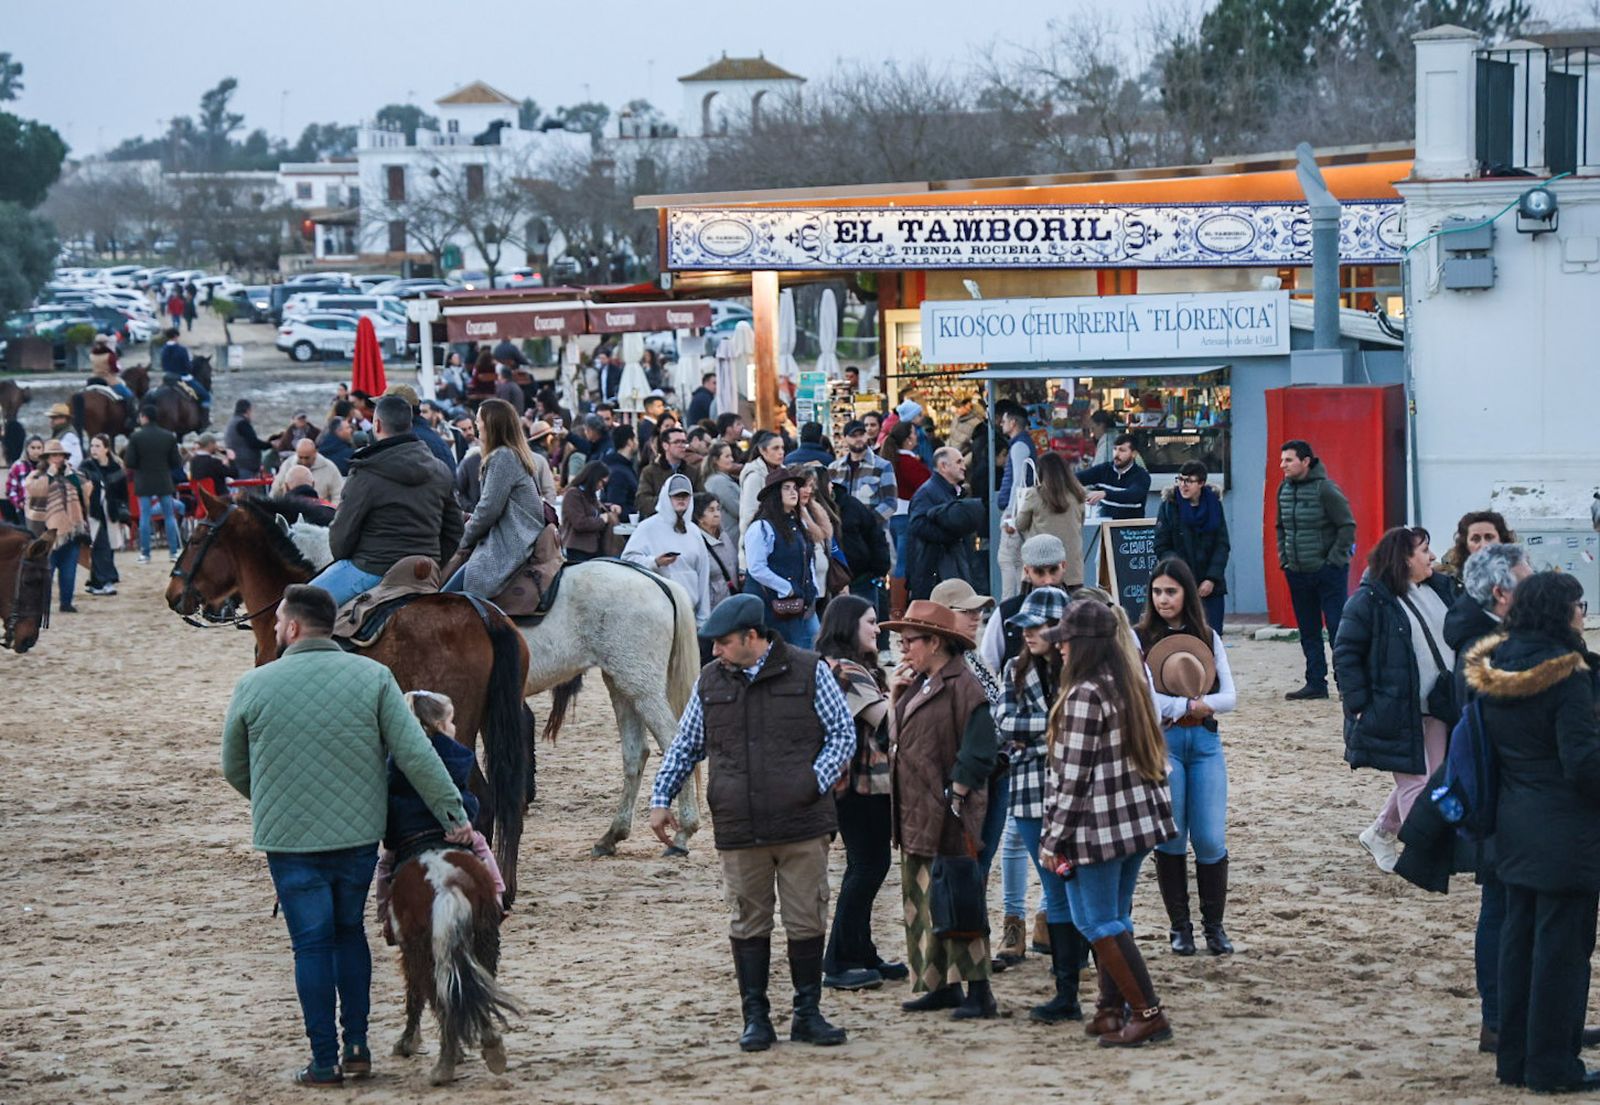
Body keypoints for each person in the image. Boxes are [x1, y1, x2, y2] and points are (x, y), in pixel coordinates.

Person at [221, 585, 474, 1087]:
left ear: (293, 627)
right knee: (347, 933)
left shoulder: (255, 684)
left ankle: (323, 1060)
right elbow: (416, 755)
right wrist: (453, 814)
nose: (273, 632)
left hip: (288, 836)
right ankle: (358, 1046)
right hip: (356, 834)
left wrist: (275, 797)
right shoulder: (373, 677)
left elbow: (233, 766)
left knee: (310, 946)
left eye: (276, 625)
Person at [648, 593, 856, 1051]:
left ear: (753, 637)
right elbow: (685, 746)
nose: (716, 652)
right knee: (748, 924)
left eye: (723, 643)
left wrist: (811, 783)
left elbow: (843, 733)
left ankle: (807, 1013)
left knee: (806, 921)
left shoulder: (810, 670)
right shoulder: (710, 682)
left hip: (802, 825)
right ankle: (756, 1018)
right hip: (740, 827)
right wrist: (660, 798)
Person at [1465, 572, 1600, 1093]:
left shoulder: (1495, 664)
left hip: (1511, 826)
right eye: (1579, 605)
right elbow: (1583, 765)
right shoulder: (1567, 675)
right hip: (1566, 834)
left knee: (1518, 947)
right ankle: (1552, 1066)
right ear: (1561, 613)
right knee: (1562, 955)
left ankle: (1515, 1060)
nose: (1582, 614)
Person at [1038, 598, 1177, 1046]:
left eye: (1066, 642)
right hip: (1135, 824)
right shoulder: (1128, 683)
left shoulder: (1083, 694)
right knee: (1115, 918)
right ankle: (1110, 1011)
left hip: (1097, 829)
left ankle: (1148, 1012)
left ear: (1083, 646)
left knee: (1096, 922)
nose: (1059, 649)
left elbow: (1072, 778)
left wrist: (1052, 839)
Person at [1437, 543, 1534, 1054]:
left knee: (1504, 905)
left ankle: (1517, 1018)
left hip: (1500, 791)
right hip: (1498, 795)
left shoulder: (1485, 634)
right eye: (1527, 580)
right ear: (1501, 592)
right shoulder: (1483, 645)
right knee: (1499, 907)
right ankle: (1499, 1021)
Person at [881, 599, 999, 1020]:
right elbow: (893, 744)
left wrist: (957, 795)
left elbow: (982, 748)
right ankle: (940, 985)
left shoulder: (964, 685)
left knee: (959, 903)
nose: (903, 649)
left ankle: (979, 992)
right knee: (921, 903)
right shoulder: (919, 683)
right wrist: (895, 697)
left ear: (934, 642)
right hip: (916, 812)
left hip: (948, 815)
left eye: (909, 641)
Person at [1334, 526, 1457, 874]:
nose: (1432, 556)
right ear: (1403, 559)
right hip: (1392, 708)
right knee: (1414, 783)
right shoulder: (1370, 600)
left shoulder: (1439, 589)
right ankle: (1425, 855)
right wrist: (1358, 706)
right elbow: (1345, 653)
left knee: (1433, 778)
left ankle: (1380, 833)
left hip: (1438, 704)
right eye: (1424, 551)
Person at [995, 585, 1092, 1019]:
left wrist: (1033, 737)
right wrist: (1051, 726)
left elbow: (1075, 728)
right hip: (1032, 793)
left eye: (1037, 626)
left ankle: (1076, 975)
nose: (1028, 634)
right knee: (1055, 889)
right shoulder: (1015, 668)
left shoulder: (1080, 669)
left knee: (1078, 887)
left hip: (1076, 790)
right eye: (1025, 626)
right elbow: (1003, 723)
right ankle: (1065, 987)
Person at [1137, 558, 1238, 957]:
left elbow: (1230, 696)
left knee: (1211, 837)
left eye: (1171, 591)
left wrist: (1189, 705)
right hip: (1165, 744)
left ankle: (1215, 927)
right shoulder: (1139, 637)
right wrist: (1190, 705)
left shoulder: (1208, 636)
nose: (1163, 599)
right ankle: (1181, 928)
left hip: (1206, 744)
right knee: (1173, 835)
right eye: (1157, 591)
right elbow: (1145, 700)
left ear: (1187, 594)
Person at [815, 594, 907, 991]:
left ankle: (860, 951)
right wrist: (903, 687)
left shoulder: (845, 666)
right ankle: (838, 960)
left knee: (867, 866)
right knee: (867, 867)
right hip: (858, 785)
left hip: (862, 783)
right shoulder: (843, 669)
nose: (877, 628)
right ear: (848, 625)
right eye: (871, 621)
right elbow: (885, 720)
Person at [372, 690, 506, 945]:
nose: (454, 727)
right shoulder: (455, 756)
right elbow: (462, 797)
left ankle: (386, 916)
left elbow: (389, 798)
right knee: (479, 846)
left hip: (407, 831)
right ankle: (497, 896)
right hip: (450, 829)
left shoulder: (395, 757)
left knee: (386, 864)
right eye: (451, 721)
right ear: (439, 725)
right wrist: (467, 816)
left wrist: (393, 834)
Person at [313, 395, 462, 606]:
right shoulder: (440, 470)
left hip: (372, 568)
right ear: (409, 425)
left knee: (295, 607)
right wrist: (433, 561)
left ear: (377, 424)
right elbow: (454, 530)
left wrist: (356, 558)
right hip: (424, 571)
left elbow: (341, 539)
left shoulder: (365, 473)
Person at [1277, 440, 1357, 700]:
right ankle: (1315, 683)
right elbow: (1281, 527)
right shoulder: (1283, 490)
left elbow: (1347, 526)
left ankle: (1346, 684)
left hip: (1328, 572)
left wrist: (1333, 561)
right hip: (1297, 572)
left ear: (1306, 461)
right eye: (1282, 460)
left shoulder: (1326, 489)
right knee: (1308, 630)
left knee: (1337, 629)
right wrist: (1285, 559)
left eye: (1289, 460)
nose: (1283, 465)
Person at [741, 467, 824, 648]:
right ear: (774, 494)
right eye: (786, 488)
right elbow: (756, 568)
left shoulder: (798, 523)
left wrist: (812, 587)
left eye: (794, 488)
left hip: (803, 605)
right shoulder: (761, 528)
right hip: (773, 607)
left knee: (814, 650)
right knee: (785, 655)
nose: (793, 492)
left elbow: (808, 558)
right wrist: (787, 588)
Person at [621, 474, 713, 623]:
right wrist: (655, 562)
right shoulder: (648, 527)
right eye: (676, 496)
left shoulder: (694, 531)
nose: (681, 499)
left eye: (685, 495)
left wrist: (703, 618)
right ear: (666, 497)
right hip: (657, 615)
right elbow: (627, 560)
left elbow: (703, 574)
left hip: (688, 613)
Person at [1153, 461, 1231, 632]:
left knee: (1212, 635)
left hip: (1210, 587)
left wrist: (1211, 578)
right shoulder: (1169, 506)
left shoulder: (1214, 506)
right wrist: (1181, 573)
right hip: (1179, 583)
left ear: (1201, 483)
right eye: (1180, 479)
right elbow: (1161, 545)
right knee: (1184, 637)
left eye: (1189, 480)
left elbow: (1222, 545)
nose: (1183, 485)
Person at [905, 447, 984, 602]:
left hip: (951, 568)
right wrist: (950, 536)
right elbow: (917, 524)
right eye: (959, 462)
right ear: (943, 466)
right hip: (934, 573)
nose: (964, 466)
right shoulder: (927, 492)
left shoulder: (952, 492)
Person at [25, 440, 90, 613]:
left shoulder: (72, 474)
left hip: (72, 532)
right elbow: (33, 490)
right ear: (46, 458)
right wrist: (50, 476)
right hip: (47, 533)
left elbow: (87, 490)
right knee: (46, 571)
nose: (57, 458)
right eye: (53, 455)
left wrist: (71, 476)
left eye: (60, 455)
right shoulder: (37, 475)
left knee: (69, 572)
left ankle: (66, 602)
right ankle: (41, 605)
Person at [1016, 451, 1087, 590]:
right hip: (1072, 570)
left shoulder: (1035, 494)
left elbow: (1021, 524)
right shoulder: (1078, 495)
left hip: (1041, 570)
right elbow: (1081, 524)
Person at [123, 406, 183, 564]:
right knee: (169, 515)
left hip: (143, 480)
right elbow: (176, 462)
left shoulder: (136, 437)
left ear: (144, 417)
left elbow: (130, 462)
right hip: (163, 479)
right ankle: (174, 551)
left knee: (145, 516)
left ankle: (145, 553)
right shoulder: (168, 436)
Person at [882, 421, 929, 614]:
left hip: (893, 516)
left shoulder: (891, 460)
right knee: (903, 563)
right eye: (914, 433)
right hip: (907, 515)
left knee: (897, 562)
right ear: (908, 439)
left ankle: (896, 607)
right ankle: (898, 609)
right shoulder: (909, 462)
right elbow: (926, 484)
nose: (917, 436)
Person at [995, 401, 1038, 599]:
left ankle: (1008, 602)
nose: (1001, 424)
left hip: (1016, 509)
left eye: (1004, 420)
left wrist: (1011, 514)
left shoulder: (1019, 445)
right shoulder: (1022, 443)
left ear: (1013, 422)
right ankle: (1019, 599)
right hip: (1020, 508)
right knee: (1018, 560)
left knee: (1006, 559)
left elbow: (1018, 482)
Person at [79, 434, 127, 597]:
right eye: (92, 446)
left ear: (106, 448)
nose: (94, 449)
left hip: (111, 513)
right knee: (100, 546)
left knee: (110, 546)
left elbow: (123, 493)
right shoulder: (86, 466)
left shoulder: (116, 468)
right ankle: (107, 581)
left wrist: (123, 513)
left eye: (98, 446)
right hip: (93, 512)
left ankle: (96, 583)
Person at [738, 431, 788, 566]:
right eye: (775, 448)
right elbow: (749, 514)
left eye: (782, 448)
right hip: (761, 540)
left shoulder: (783, 472)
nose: (781, 452)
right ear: (763, 451)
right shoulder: (754, 477)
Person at [1076, 433, 1151, 522]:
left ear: (1134, 454)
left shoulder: (1141, 475)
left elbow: (1132, 495)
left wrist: (1105, 494)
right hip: (1105, 528)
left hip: (1131, 531)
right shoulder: (1104, 469)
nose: (1116, 454)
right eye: (1115, 449)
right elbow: (1075, 479)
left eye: (1122, 450)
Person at [635, 426, 704, 520]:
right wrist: (672, 502)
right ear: (665, 445)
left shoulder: (693, 471)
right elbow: (642, 502)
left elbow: (702, 499)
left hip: (687, 523)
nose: (682, 445)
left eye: (684, 442)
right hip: (659, 523)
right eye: (677, 442)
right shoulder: (650, 472)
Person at [560, 461, 618, 563]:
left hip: (594, 548)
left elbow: (593, 510)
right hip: (579, 550)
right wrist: (602, 520)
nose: (602, 487)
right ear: (594, 478)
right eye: (602, 482)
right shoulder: (573, 494)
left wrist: (610, 507)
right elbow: (580, 523)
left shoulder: (589, 495)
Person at [694, 492, 739, 614]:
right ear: (699, 517)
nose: (717, 514)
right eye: (711, 510)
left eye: (718, 509)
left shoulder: (724, 536)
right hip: (711, 609)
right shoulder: (695, 542)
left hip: (731, 604)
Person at [1441, 510, 1516, 581]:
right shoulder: (1452, 583)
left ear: (1502, 541)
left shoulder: (1520, 578)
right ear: (1465, 544)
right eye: (1475, 539)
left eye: (1489, 537)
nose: (1484, 545)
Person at [269, 437, 345, 504]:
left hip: (320, 513)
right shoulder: (287, 465)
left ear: (315, 453)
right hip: (290, 512)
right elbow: (276, 491)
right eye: (300, 457)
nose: (304, 461)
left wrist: (331, 512)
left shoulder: (330, 468)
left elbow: (338, 495)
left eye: (307, 458)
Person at [702, 441, 744, 547]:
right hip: (732, 537)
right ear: (716, 460)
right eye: (727, 456)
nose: (732, 459)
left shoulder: (719, 479)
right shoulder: (719, 482)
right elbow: (737, 509)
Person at [224, 399, 269, 479]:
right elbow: (253, 442)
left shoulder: (232, 422)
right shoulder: (242, 423)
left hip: (236, 465)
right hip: (245, 466)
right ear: (248, 410)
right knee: (248, 490)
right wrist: (270, 445)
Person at [602, 425, 640, 513]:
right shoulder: (619, 473)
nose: (638, 443)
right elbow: (617, 507)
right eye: (636, 439)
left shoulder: (622, 467)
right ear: (630, 442)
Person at [7, 435, 43, 523]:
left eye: (39, 448)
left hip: (45, 510)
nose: (36, 451)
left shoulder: (47, 467)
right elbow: (11, 489)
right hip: (24, 510)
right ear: (27, 449)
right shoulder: (18, 466)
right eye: (33, 448)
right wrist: (19, 503)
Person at [44, 404, 84, 468]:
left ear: (63, 419)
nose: (51, 421)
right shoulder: (61, 432)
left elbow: (77, 459)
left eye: (54, 418)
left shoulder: (69, 436)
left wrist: (64, 471)